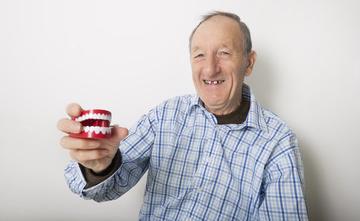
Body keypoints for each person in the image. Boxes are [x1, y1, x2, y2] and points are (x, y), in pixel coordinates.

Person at [57, 11, 308, 220]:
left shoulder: (278, 143)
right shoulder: (166, 115)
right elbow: (105, 188)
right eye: (199, 55)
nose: (210, 68)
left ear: (249, 63)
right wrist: (101, 166)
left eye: (224, 52)